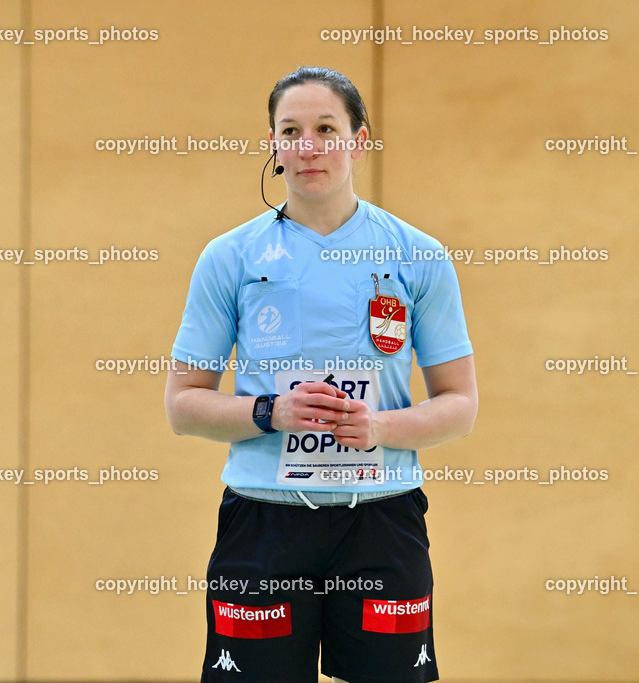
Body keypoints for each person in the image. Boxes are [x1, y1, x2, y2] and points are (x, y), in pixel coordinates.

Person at [165, 66, 477, 683]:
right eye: (291, 131)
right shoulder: (231, 256)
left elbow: (459, 403)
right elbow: (182, 404)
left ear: (359, 140)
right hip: (264, 524)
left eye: (326, 129)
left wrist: (380, 426)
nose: (309, 146)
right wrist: (270, 412)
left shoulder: (417, 255)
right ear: (275, 147)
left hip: (382, 524)